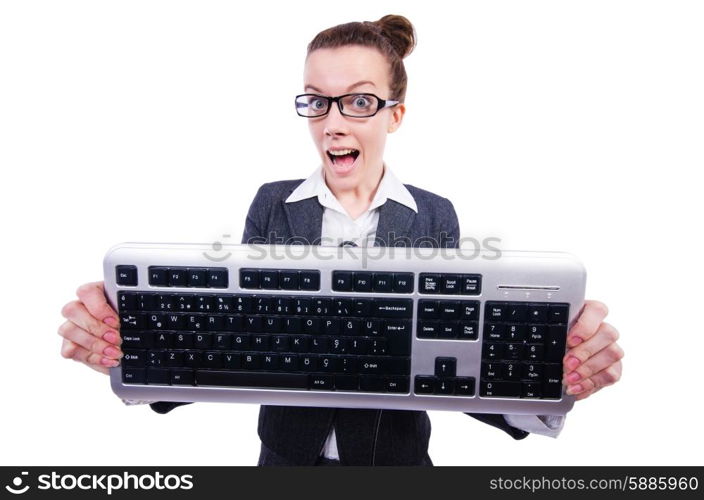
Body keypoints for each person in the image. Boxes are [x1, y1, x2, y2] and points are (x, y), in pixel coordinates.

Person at [58, 15, 624, 466]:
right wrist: (137, 344)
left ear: (394, 115)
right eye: (316, 99)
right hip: (285, 461)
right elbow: (239, 332)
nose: (333, 122)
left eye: (358, 101)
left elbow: (455, 360)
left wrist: (550, 380)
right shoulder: (272, 204)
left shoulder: (434, 215)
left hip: (394, 465)